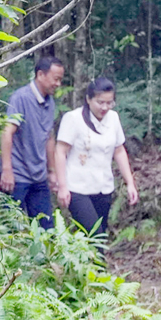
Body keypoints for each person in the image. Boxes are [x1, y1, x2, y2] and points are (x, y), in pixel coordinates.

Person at [54, 77, 138, 244]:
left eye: (109, 103)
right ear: (88, 99)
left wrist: (130, 183)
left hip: (103, 187)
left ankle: (86, 268)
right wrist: (62, 187)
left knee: (99, 234)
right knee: (94, 235)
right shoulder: (73, 119)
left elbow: (119, 150)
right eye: (100, 103)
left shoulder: (113, 118)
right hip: (77, 187)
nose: (105, 107)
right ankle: (100, 270)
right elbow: (60, 151)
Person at [0, 56, 64, 228]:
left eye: (60, 80)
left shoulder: (50, 103)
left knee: (46, 230)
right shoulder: (20, 98)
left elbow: (48, 138)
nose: (58, 84)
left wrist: (51, 171)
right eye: (56, 79)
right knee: (11, 230)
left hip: (39, 177)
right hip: (17, 175)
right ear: (41, 75)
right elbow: (7, 132)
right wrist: (6, 170)